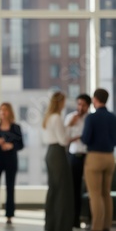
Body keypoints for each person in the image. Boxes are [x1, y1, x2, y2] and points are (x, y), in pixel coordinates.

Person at [81, 88, 116, 231]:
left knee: (95, 195)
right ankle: (107, 225)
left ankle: (97, 227)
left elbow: (85, 138)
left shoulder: (91, 117)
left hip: (95, 157)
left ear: (95, 99)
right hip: (110, 157)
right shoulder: (113, 117)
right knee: (106, 193)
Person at [42, 92, 75, 231]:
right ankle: (61, 225)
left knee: (54, 189)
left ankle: (52, 224)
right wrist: (71, 130)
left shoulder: (48, 117)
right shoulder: (57, 118)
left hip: (50, 152)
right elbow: (63, 140)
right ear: (60, 102)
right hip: (58, 154)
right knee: (62, 191)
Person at [0, 103, 24, 225]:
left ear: (10, 112)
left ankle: (9, 215)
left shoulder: (16, 127)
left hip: (11, 159)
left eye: (5, 110)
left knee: (10, 187)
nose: (3, 113)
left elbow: (21, 144)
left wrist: (11, 145)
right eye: (1, 110)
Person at [64, 94, 91, 228]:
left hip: (88, 157)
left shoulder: (91, 119)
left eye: (83, 105)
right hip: (74, 156)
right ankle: (74, 220)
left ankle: (89, 218)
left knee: (90, 189)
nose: (80, 107)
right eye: (79, 104)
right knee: (74, 189)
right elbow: (64, 139)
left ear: (88, 106)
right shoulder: (70, 118)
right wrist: (70, 125)